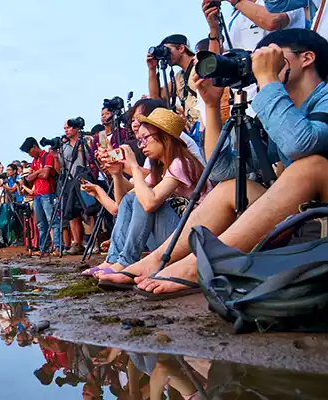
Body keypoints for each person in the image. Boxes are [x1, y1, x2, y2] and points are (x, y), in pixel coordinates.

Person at [105, 29, 328, 296]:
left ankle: (196, 265)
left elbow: (300, 144)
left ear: (307, 58)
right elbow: (223, 171)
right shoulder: (279, 110)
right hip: (304, 212)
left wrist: (268, 79)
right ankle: (157, 259)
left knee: (310, 166)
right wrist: (211, 106)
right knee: (231, 187)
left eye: (272, 56)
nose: (262, 65)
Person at [85, 108, 210, 276]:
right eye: (140, 140)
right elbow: (124, 203)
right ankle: (114, 260)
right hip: (176, 238)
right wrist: (116, 173)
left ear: (165, 137)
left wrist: (134, 166)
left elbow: (149, 202)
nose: (142, 145)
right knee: (135, 198)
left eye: (145, 138)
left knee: (143, 199)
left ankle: (125, 262)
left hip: (196, 241)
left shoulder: (181, 163)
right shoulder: (162, 170)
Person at [23, 137, 62, 256]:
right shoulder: (35, 160)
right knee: (41, 223)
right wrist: (38, 172)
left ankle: (58, 247)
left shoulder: (47, 156)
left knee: (52, 221)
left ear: (34, 147)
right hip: (37, 194)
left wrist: (36, 173)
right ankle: (43, 248)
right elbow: (28, 178)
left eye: (29, 151)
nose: (29, 155)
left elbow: (45, 174)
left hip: (47, 192)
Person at [59, 117, 88, 255]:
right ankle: (77, 243)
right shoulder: (64, 147)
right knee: (72, 212)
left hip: (86, 178)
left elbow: (89, 159)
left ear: (76, 127)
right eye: (65, 128)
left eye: (68, 127)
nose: (66, 130)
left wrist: (82, 150)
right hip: (70, 179)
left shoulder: (86, 141)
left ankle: (94, 241)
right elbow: (61, 167)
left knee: (90, 210)